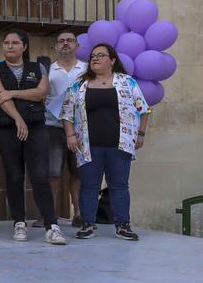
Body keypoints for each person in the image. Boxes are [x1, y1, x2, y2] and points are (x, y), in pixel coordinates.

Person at [61, 43, 150, 241]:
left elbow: (143, 109)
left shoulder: (127, 82)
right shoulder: (78, 85)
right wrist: (70, 135)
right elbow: (67, 114)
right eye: (93, 56)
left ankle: (123, 225)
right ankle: (88, 224)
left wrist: (141, 134)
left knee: (119, 185)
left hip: (120, 144)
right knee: (89, 185)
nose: (95, 59)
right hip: (88, 145)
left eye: (101, 55)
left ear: (112, 60)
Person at [0, 29, 66, 245]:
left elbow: (42, 92)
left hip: (36, 127)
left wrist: (13, 92)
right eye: (6, 43)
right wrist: (18, 119)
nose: (9, 46)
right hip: (5, 129)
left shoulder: (37, 67)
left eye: (14, 43)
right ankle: (19, 223)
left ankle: (52, 226)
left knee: (40, 175)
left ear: (24, 46)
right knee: (14, 175)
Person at [35, 31, 86, 228]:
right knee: (52, 172)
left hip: (81, 128)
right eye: (61, 41)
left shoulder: (87, 69)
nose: (65, 44)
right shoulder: (47, 69)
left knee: (78, 173)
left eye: (70, 41)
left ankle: (79, 214)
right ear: (55, 47)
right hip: (52, 127)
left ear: (77, 46)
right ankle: (48, 214)